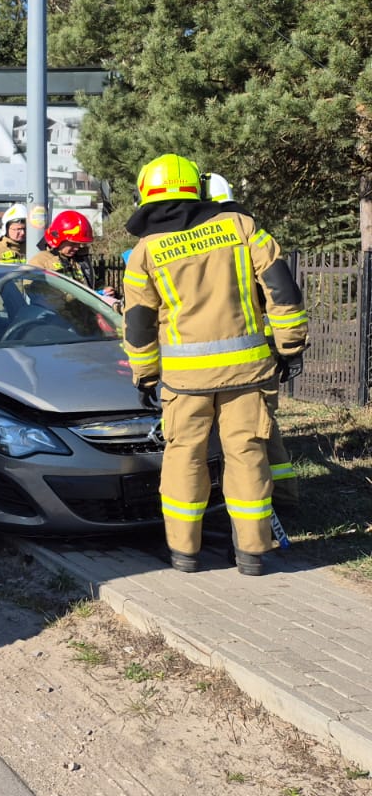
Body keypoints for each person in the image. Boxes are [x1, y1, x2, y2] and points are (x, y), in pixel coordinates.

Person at [122, 154, 308, 576]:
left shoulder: (145, 251)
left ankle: (184, 554)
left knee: (183, 457)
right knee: (247, 454)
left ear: (145, 193)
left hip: (185, 381)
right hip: (247, 372)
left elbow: (138, 323)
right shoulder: (239, 227)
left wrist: (146, 373)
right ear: (197, 187)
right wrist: (289, 345)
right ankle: (252, 554)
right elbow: (281, 286)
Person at [201, 170, 300, 527]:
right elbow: (280, 291)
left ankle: (247, 515)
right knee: (263, 431)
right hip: (260, 351)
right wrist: (289, 349)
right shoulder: (247, 232)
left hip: (226, 359)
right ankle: (282, 499)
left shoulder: (207, 242)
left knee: (238, 441)